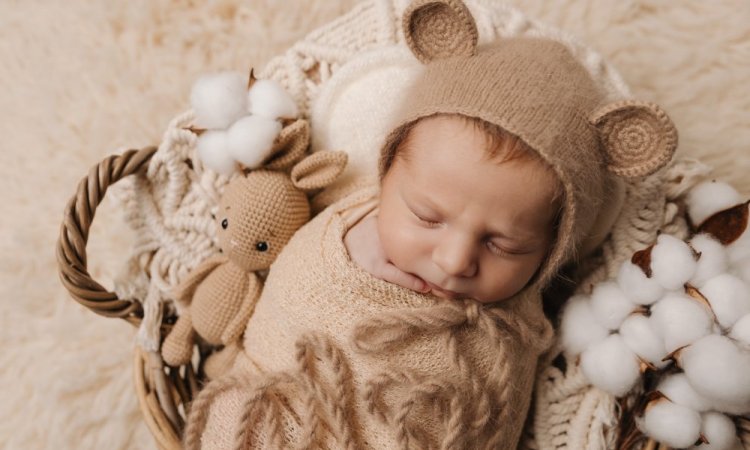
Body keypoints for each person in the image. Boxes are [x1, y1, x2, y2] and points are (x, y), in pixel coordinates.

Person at [185, 1, 678, 448]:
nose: (455, 260)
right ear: (384, 179)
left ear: (549, 252)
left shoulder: (519, 328)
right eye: (427, 217)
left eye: (504, 244)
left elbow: (490, 414)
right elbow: (294, 300)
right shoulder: (343, 227)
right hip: (282, 408)